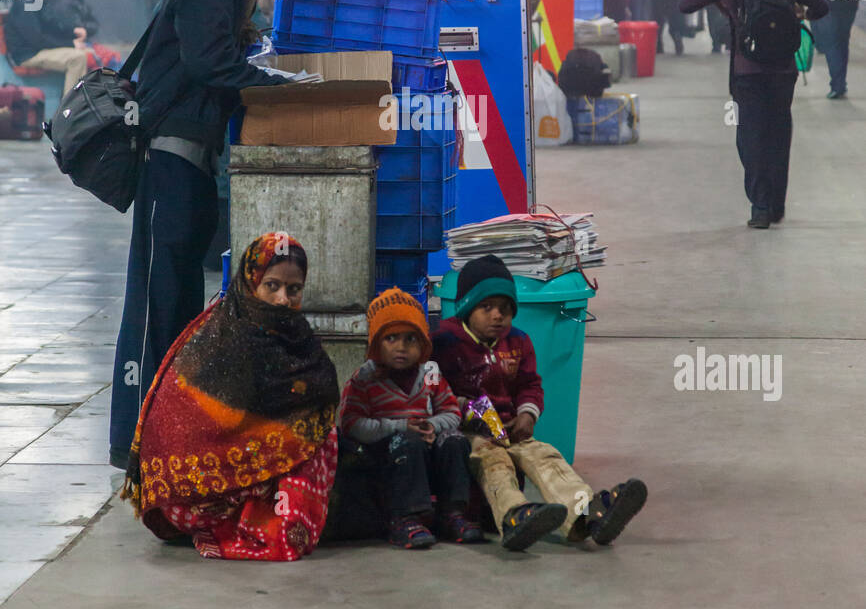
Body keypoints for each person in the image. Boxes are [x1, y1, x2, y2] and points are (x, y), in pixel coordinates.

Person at [109, 0, 322, 468]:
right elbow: (208, 62)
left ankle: (167, 432)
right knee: (160, 299)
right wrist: (281, 86)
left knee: (180, 297)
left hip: (195, 155)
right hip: (169, 153)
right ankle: (139, 444)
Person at [121, 233, 339, 560]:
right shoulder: (218, 342)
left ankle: (259, 519)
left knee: (318, 430)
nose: (283, 300)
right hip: (190, 501)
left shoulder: (295, 339)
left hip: (242, 483)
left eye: (293, 290)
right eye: (272, 286)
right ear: (250, 283)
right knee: (318, 441)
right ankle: (262, 527)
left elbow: (317, 398)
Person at [432, 256, 647, 552]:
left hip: (510, 428)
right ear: (467, 307)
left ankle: (586, 514)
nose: (498, 316)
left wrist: (526, 415)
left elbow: (530, 385)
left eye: (505, 309)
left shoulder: (518, 341)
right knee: (494, 464)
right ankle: (513, 516)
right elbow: (431, 389)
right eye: (487, 308)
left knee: (546, 456)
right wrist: (464, 409)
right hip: (470, 434)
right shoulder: (445, 341)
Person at [679, 0, 829, 227]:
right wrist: (800, 12)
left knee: (750, 136)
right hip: (784, 71)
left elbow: (685, 5)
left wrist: (724, 6)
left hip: (747, 72)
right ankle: (775, 206)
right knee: (778, 134)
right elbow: (822, 7)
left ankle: (760, 207)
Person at [339, 289, 484, 549]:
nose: (401, 347)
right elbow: (352, 424)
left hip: (426, 454)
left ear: (424, 345)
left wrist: (432, 425)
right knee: (406, 441)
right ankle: (404, 518)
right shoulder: (364, 379)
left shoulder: (430, 374)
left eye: (411, 339)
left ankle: (452, 513)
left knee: (454, 440)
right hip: (387, 461)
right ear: (375, 344)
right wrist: (400, 427)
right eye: (390, 338)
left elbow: (452, 412)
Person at [2, 0, 89, 95]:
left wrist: (73, 31)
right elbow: (37, 40)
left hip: (36, 51)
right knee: (77, 58)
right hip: (27, 55)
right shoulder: (26, 5)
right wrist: (71, 44)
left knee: (84, 52)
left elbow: (52, 25)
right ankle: (69, 108)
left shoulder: (37, 2)